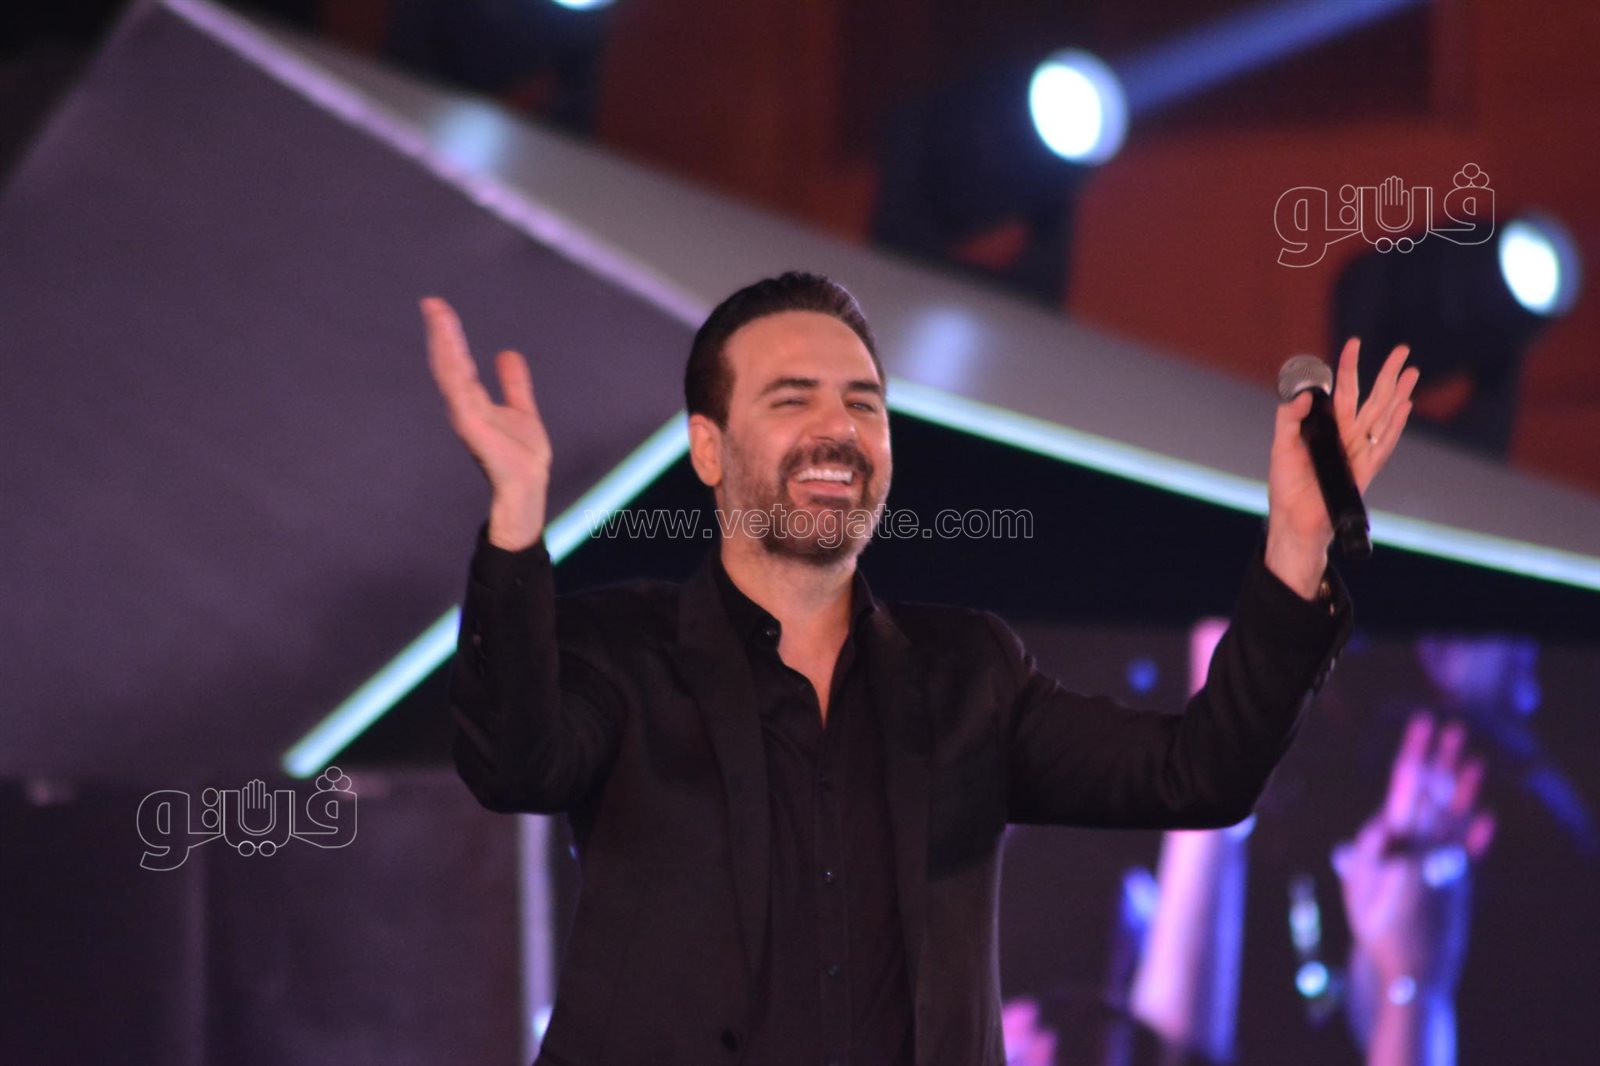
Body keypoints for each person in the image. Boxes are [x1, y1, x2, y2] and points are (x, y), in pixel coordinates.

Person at [423, 271, 1419, 1066]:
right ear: (709, 449)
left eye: (863, 403)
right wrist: (514, 525)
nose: (837, 430)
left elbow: (1198, 775)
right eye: (792, 398)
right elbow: (511, 762)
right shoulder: (622, 648)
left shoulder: (967, 674)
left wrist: (1296, 545)